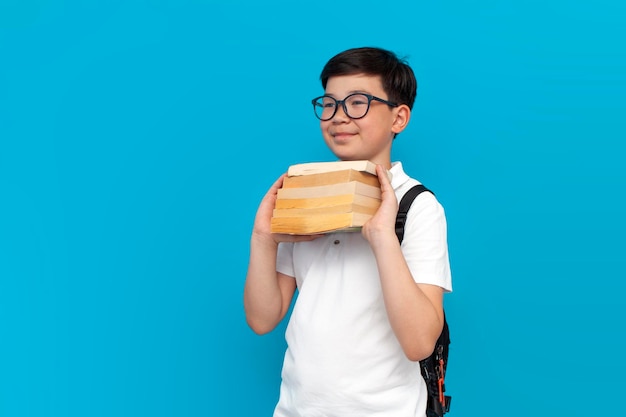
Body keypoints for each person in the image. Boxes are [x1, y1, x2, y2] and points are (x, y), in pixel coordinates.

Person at [243, 46, 452, 417]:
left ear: (399, 117)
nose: (339, 117)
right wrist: (263, 238)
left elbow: (420, 342)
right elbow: (263, 319)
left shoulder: (417, 206)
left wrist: (383, 237)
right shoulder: (306, 193)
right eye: (329, 103)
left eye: (358, 103)